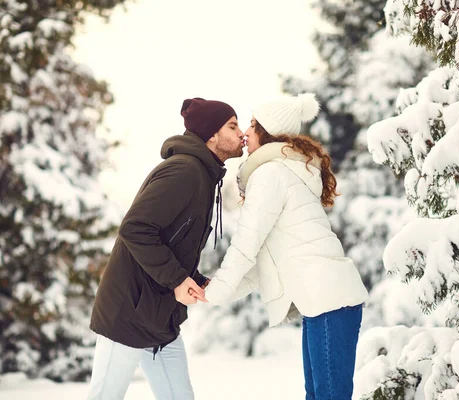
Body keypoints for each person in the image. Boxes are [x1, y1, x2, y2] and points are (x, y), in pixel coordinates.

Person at [203, 93, 369, 400]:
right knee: (319, 395)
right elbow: (263, 265)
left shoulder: (271, 174)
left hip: (330, 299)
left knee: (328, 396)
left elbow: (244, 245)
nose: (245, 132)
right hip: (326, 301)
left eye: (252, 125)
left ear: (267, 133)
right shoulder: (281, 173)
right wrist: (213, 289)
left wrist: (214, 292)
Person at [87, 97, 244, 400]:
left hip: (160, 317)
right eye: (232, 125)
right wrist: (177, 279)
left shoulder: (203, 175)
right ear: (212, 134)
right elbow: (136, 229)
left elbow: (173, 240)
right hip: (129, 313)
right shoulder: (184, 171)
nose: (241, 134)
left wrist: (193, 278)